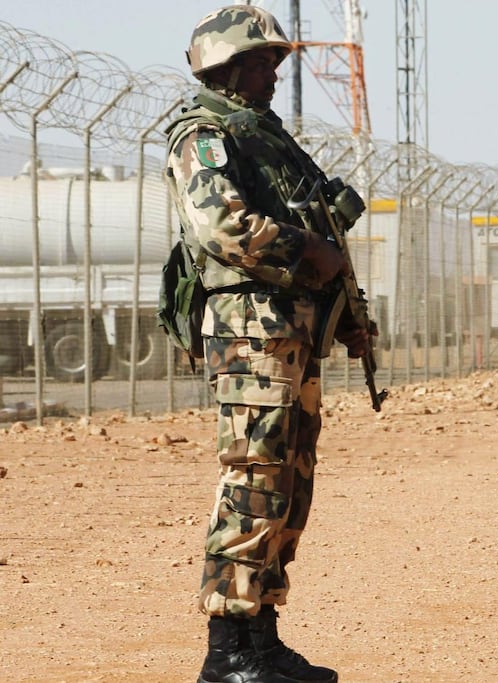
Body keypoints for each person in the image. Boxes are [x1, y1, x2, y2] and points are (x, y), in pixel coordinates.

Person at [167, 6, 372, 682]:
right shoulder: (204, 135)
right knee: (254, 477)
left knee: (290, 482)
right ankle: (226, 649)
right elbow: (224, 227)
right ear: (224, 65)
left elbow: (328, 239)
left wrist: (345, 307)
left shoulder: (269, 139)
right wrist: (306, 251)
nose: (276, 74)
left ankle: (260, 635)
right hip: (251, 330)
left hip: (291, 329)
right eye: (263, 62)